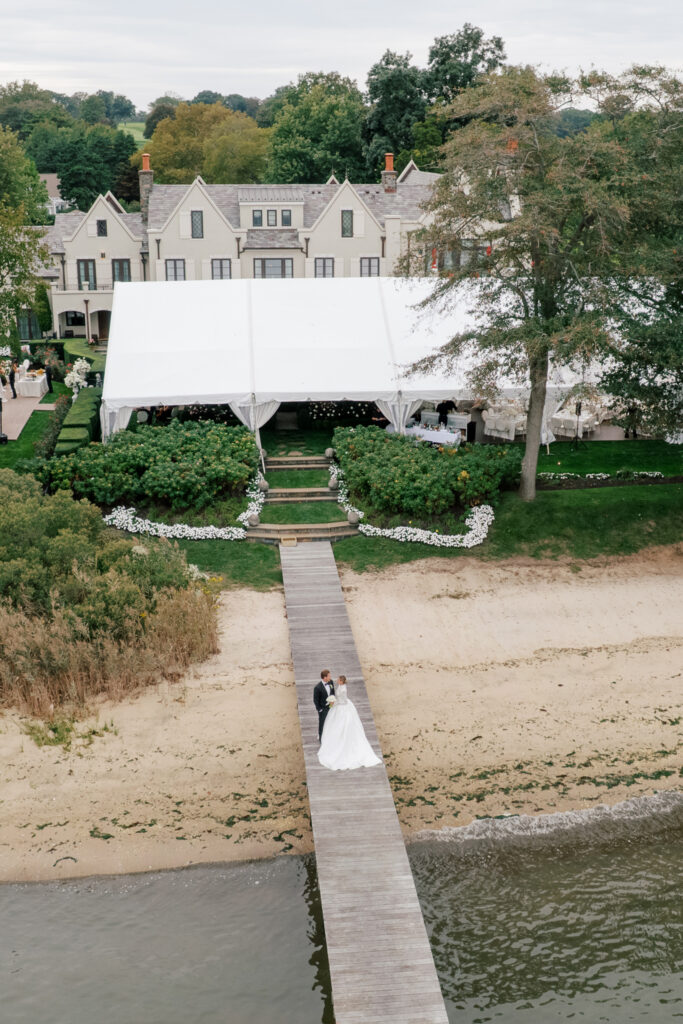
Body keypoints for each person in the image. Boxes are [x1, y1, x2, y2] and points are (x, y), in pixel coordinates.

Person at [318, 676, 382, 771]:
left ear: (341, 681)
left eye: (338, 680)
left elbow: (343, 701)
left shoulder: (343, 689)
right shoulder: (340, 686)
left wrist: (333, 702)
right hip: (339, 705)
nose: (337, 680)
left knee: (342, 725)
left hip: (342, 708)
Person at [313, 670, 335, 742]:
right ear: (325, 677)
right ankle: (321, 737)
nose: (330, 677)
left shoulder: (331, 682)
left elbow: (332, 692)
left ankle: (330, 736)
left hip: (331, 706)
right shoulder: (317, 688)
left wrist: (333, 700)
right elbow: (315, 700)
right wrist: (320, 710)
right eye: (329, 676)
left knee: (331, 721)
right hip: (323, 708)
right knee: (322, 723)